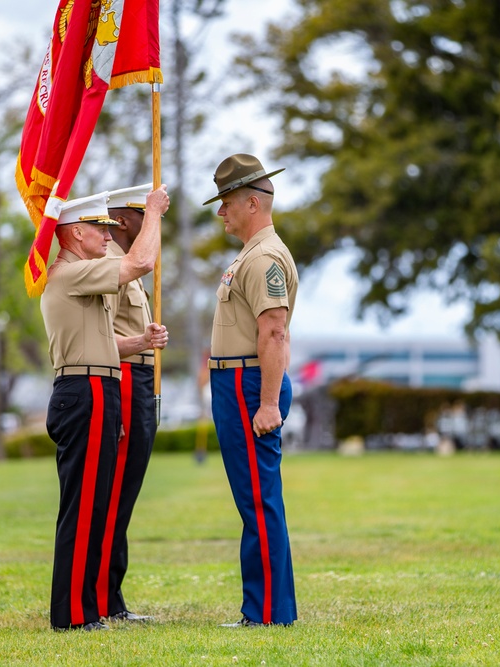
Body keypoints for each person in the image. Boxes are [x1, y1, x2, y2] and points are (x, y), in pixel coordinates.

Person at [41, 187, 169, 632]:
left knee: (94, 504)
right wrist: (152, 212)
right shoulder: (71, 272)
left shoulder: (81, 273)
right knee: (83, 506)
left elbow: (102, 340)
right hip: (84, 388)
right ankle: (74, 616)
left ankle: (86, 608)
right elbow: (141, 263)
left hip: (97, 385)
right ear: (75, 233)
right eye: (100, 228)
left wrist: (139, 343)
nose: (108, 236)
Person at [202, 154, 299, 627]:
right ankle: (266, 609)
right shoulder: (251, 255)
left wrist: (265, 402)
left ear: (253, 203)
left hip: (248, 384)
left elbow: (274, 332)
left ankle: (267, 615)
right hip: (236, 382)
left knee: (259, 501)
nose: (221, 212)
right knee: (254, 499)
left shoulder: (263, 258)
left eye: (226, 202)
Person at [94, 183, 166, 623]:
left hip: (139, 379)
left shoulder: (124, 269)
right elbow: (101, 338)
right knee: (114, 492)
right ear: (125, 220)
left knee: (126, 495)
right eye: (146, 214)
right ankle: (103, 598)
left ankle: (111, 596)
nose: (154, 221)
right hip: (122, 378)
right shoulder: (112, 265)